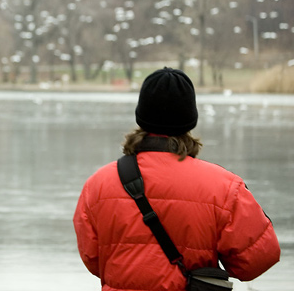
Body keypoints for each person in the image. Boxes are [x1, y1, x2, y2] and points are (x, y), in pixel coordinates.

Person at [73, 67, 280, 290]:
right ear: (189, 119)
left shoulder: (98, 185)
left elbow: (94, 259)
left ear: (141, 115)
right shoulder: (225, 187)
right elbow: (256, 262)